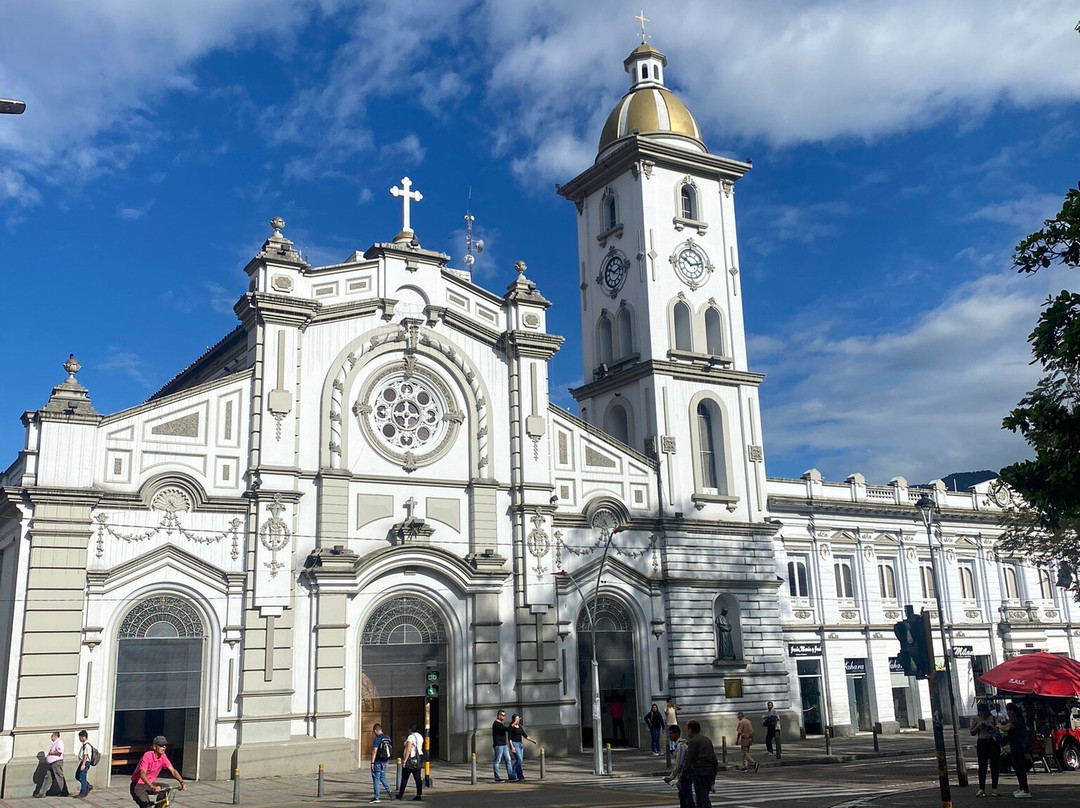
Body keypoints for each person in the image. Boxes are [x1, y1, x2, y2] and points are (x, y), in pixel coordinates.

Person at [130, 735, 186, 808]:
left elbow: (173, 771)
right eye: (161, 745)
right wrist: (152, 786)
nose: (164, 747)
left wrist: (182, 782)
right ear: (154, 747)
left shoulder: (163, 756)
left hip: (149, 784)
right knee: (146, 806)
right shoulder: (147, 756)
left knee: (166, 787)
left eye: (165, 745)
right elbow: (142, 774)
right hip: (138, 786)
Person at [684, 719, 718, 808]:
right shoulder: (707, 740)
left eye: (687, 730)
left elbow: (688, 760)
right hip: (710, 771)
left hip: (700, 771)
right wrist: (714, 775)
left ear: (690, 729)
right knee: (701, 798)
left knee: (702, 798)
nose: (687, 732)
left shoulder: (693, 741)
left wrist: (683, 776)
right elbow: (714, 759)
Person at [1001, 703, 1031, 799]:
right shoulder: (1015, 720)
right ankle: (1022, 787)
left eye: (1008, 711)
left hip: (1018, 746)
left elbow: (1007, 728)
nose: (1007, 713)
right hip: (1015, 746)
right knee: (1017, 767)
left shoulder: (1017, 720)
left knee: (1020, 768)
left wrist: (999, 725)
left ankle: (1025, 790)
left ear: (1012, 711)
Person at [970, 703, 1000, 797]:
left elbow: (998, 731)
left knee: (994, 766)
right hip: (982, 742)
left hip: (992, 742)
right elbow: (972, 732)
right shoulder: (975, 719)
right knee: (982, 766)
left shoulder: (993, 718)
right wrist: (978, 727)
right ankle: (981, 788)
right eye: (981, 712)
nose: (983, 714)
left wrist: (991, 727)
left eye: (985, 712)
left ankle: (995, 788)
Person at [663, 724, 695, 808]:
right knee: (684, 796)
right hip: (686, 774)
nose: (670, 736)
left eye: (671, 733)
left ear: (677, 734)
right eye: (669, 733)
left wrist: (671, 777)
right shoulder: (681, 745)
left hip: (685, 775)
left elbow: (679, 763)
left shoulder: (681, 746)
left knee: (686, 797)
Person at [33, 731, 67, 798]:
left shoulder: (59, 742)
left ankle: (64, 791)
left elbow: (60, 752)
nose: (51, 737)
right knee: (48, 777)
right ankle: (42, 793)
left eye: (52, 736)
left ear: (55, 736)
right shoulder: (54, 743)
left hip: (56, 763)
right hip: (51, 763)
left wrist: (52, 752)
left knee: (59, 777)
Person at [397, 723, 425, 801]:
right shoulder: (420, 736)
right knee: (417, 777)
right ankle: (419, 794)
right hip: (419, 758)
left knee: (405, 777)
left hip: (411, 758)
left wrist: (405, 761)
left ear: (411, 729)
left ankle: (400, 794)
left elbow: (408, 749)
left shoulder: (411, 737)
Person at [507, 714, 537, 781]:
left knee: (519, 760)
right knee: (519, 759)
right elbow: (509, 738)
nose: (518, 720)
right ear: (514, 720)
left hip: (520, 745)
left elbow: (525, 735)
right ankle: (520, 776)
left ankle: (512, 775)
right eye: (517, 719)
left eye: (519, 719)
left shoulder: (520, 726)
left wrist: (532, 740)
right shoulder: (511, 727)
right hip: (515, 744)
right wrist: (512, 747)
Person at [369, 723, 394, 803]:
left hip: (377, 762)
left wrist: (372, 763)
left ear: (376, 730)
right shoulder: (387, 737)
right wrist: (387, 760)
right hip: (384, 761)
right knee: (382, 777)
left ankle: (376, 797)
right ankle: (390, 792)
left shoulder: (377, 739)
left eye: (374, 732)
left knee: (376, 778)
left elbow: (374, 751)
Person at [492, 709, 515, 781]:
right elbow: (505, 729)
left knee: (508, 760)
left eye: (505, 715)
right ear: (499, 715)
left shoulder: (501, 723)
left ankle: (511, 776)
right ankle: (497, 777)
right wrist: (513, 724)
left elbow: (506, 729)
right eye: (502, 715)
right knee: (497, 761)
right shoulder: (496, 724)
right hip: (499, 745)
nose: (504, 717)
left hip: (504, 745)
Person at [74, 730, 93, 798]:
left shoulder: (87, 745)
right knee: (77, 776)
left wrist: (83, 764)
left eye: (80, 737)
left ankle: (83, 792)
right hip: (82, 762)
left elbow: (86, 755)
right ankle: (87, 785)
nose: (79, 739)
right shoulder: (84, 744)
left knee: (82, 777)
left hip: (85, 762)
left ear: (83, 737)